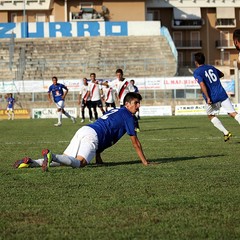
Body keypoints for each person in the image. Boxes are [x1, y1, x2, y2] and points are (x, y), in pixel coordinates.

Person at [13, 92, 149, 171]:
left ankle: (31, 162)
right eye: (136, 103)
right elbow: (135, 143)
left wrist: (98, 158)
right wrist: (145, 162)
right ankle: (51, 156)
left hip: (85, 130)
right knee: (80, 163)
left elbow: (107, 131)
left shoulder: (116, 111)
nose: (138, 106)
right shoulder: (128, 116)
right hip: (93, 136)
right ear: (127, 104)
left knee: (65, 160)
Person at [193, 52, 240, 141]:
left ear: (196, 62)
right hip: (222, 94)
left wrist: (207, 97)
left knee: (210, 115)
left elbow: (202, 84)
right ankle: (226, 133)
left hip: (212, 97)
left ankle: (226, 133)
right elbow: (221, 74)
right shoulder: (211, 67)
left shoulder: (197, 72)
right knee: (233, 113)